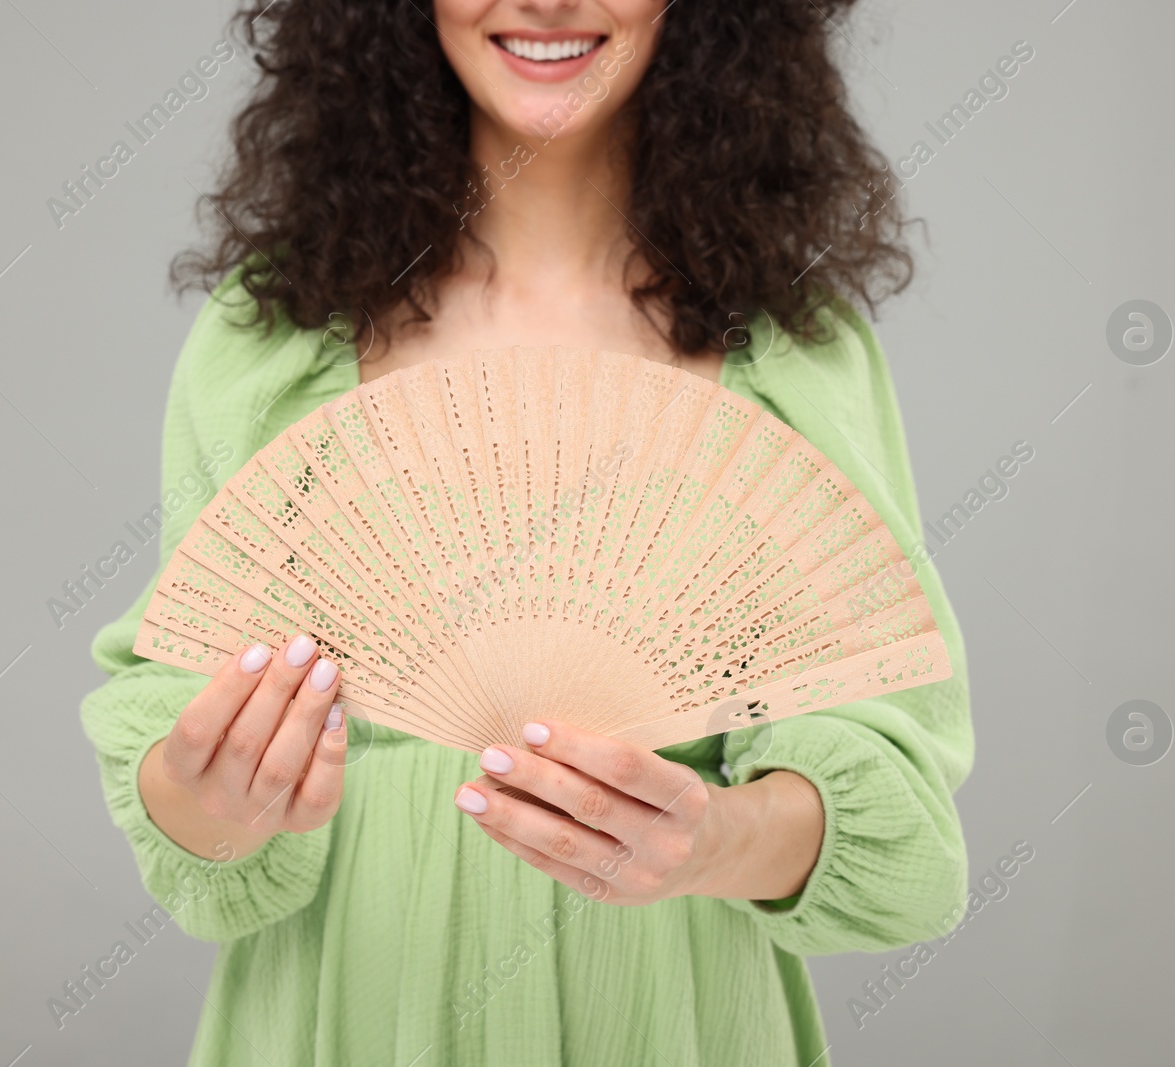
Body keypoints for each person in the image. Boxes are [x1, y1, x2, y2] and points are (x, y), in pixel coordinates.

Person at [81, 2, 973, 1063]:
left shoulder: (787, 353)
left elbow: (901, 809)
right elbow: (184, 766)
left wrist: (710, 840)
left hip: (665, 1010)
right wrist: (208, 795)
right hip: (350, 1005)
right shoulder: (270, 338)